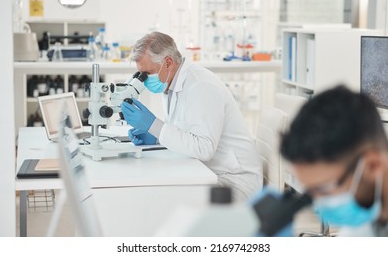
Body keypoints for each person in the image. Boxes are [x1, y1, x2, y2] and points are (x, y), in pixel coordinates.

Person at [120, 31, 262, 202]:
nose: (144, 81)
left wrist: (154, 125)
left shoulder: (201, 86)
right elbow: (186, 132)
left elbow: (204, 148)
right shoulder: (172, 84)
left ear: (168, 62)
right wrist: (157, 136)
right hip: (207, 171)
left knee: (160, 199)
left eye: (147, 74)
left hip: (232, 181)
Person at [280, 85, 388, 236]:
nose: (319, 204)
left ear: (372, 165)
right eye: (310, 193)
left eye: (323, 189)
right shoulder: (365, 220)